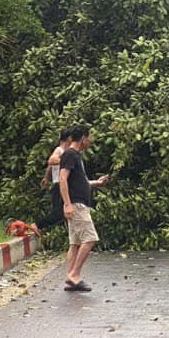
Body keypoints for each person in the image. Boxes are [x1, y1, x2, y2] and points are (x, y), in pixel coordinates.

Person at [58, 125, 109, 292]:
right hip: (76, 205)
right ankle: (74, 275)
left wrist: (97, 183)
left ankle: (70, 276)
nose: (90, 141)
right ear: (83, 138)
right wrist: (67, 204)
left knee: (75, 243)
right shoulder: (70, 155)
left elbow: (78, 182)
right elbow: (63, 179)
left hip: (78, 204)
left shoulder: (75, 156)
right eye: (89, 137)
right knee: (90, 239)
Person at [34, 129, 73, 236]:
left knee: (63, 213)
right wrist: (67, 161)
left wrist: (46, 177)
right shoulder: (60, 150)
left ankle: (44, 228)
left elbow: (50, 167)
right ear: (68, 138)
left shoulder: (68, 151)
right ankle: (37, 225)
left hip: (64, 185)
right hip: (59, 185)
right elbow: (51, 161)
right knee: (59, 213)